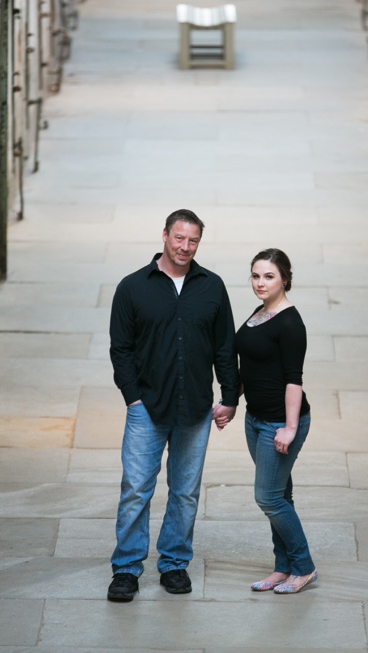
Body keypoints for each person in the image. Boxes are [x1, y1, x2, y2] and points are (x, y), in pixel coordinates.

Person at [107, 209, 239, 602]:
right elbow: (121, 349)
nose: (185, 247)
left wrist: (230, 396)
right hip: (147, 406)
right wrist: (132, 397)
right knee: (135, 488)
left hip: (195, 408)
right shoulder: (132, 287)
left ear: (199, 242)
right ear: (164, 235)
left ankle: (174, 564)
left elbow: (225, 347)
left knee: (185, 492)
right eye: (179, 238)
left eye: (193, 240)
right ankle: (127, 569)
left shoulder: (212, 287)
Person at [224, 248, 318, 594]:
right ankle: (283, 567)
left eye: (269, 276)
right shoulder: (259, 313)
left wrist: (290, 428)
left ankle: (304, 567)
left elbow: (294, 380)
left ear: (285, 279)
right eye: (255, 275)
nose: (260, 283)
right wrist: (231, 402)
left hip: (280, 423)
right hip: (256, 419)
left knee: (268, 497)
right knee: (281, 495)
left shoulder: (291, 323)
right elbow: (250, 365)